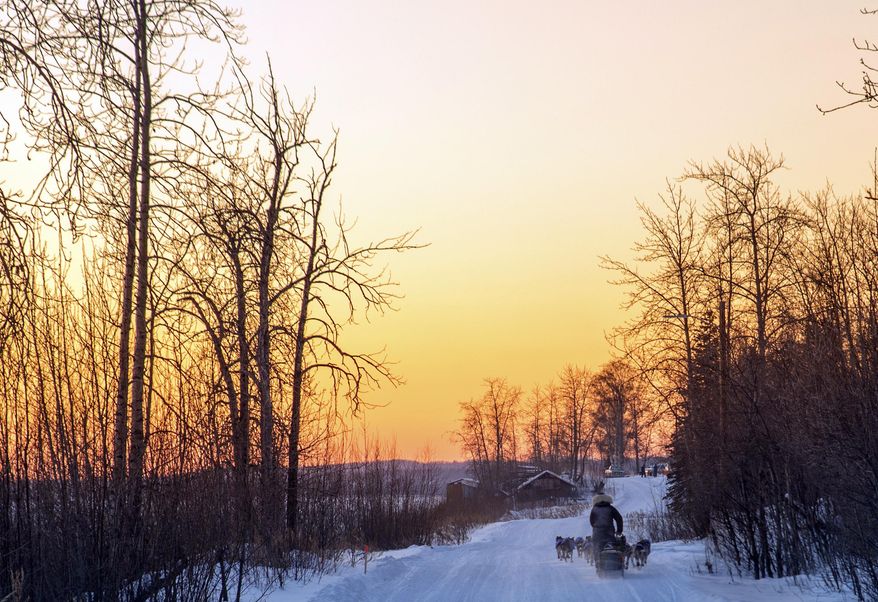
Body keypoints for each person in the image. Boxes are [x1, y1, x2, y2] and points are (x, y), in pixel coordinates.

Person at [589, 491, 623, 566]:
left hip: (597, 533)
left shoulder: (594, 509)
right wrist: (619, 531)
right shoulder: (611, 508)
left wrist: (596, 527)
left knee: (597, 547)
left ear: (596, 500)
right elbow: (619, 519)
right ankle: (615, 563)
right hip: (609, 532)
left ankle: (598, 563)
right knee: (611, 547)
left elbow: (591, 521)